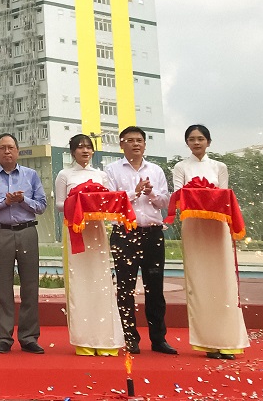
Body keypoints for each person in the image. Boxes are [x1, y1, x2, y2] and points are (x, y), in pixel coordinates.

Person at [171, 124, 249, 359]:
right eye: (192, 139)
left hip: (217, 227)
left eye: (201, 138)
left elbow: (223, 196)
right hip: (193, 226)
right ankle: (207, 342)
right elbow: (178, 196)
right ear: (186, 143)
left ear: (209, 142)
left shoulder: (219, 166)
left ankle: (228, 340)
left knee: (223, 281)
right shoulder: (180, 166)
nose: (196, 143)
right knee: (199, 283)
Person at [104, 126, 176, 355]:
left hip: (153, 233)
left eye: (140, 140)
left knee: (155, 287)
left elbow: (165, 203)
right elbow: (111, 203)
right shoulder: (111, 170)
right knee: (125, 288)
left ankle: (158, 339)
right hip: (125, 234)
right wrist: (134, 193)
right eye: (130, 140)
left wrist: (152, 194)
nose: (136, 144)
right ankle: (130, 337)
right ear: (121, 144)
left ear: (145, 145)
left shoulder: (155, 170)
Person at [0, 132, 47, 355]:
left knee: (30, 286)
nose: (7, 151)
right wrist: (4, 201)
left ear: (18, 150)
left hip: (27, 231)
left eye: (11, 147)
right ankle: (4, 336)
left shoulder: (31, 175)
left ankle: (28, 337)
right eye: (2, 148)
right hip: (0, 233)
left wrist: (22, 200)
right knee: (2, 287)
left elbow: (42, 205)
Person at [53, 134, 124, 356]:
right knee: (80, 282)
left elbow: (110, 200)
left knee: (101, 281)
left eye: (88, 147)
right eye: (80, 147)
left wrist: (94, 203)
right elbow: (58, 205)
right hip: (75, 230)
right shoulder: (64, 175)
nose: (85, 151)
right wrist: (79, 200)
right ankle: (84, 339)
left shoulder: (101, 175)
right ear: (72, 152)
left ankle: (105, 338)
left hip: (96, 232)